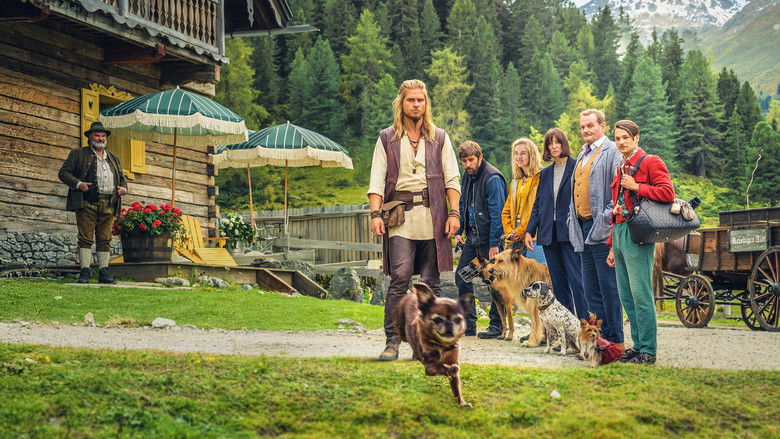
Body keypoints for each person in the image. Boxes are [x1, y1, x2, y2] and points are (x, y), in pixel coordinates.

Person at [367, 79, 461, 361]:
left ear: (426, 103)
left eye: (420, 100)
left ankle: (429, 344)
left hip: (433, 218)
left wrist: (454, 213)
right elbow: (376, 179)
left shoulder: (439, 137)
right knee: (400, 278)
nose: (416, 104)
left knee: (431, 284)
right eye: (411, 100)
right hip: (400, 220)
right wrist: (375, 214)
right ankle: (393, 341)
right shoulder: (387, 138)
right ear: (402, 103)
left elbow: (452, 177)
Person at [606, 120, 674, 365]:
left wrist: (637, 186)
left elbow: (667, 193)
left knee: (641, 294)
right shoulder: (620, 166)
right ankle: (636, 346)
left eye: (626, 137)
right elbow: (619, 206)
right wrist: (612, 244)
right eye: (617, 138)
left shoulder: (650, 161)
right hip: (621, 231)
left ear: (636, 138)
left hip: (640, 234)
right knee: (626, 295)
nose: (621, 142)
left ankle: (648, 349)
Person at [567, 109, 624, 348]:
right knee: (590, 289)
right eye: (582, 127)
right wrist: (573, 221)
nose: (585, 130)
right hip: (581, 229)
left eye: (590, 125)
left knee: (608, 287)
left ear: (602, 126)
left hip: (602, 229)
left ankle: (616, 340)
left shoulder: (612, 152)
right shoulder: (582, 154)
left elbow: (617, 194)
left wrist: (603, 221)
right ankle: (600, 341)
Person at [525, 128, 588, 321]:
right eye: (550, 143)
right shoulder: (544, 173)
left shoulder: (577, 167)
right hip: (548, 234)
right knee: (559, 284)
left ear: (564, 144)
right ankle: (567, 328)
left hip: (570, 233)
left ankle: (584, 326)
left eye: (557, 142)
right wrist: (529, 230)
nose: (553, 146)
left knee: (577, 282)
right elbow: (538, 204)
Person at [58, 121, 127, 284]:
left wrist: (124, 188)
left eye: (103, 136)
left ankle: (104, 272)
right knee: (85, 238)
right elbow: (63, 173)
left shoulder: (114, 158)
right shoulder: (78, 154)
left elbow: (122, 178)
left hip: (109, 203)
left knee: (105, 239)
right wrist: (78, 184)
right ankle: (85, 272)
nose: (100, 138)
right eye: (97, 135)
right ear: (90, 137)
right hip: (87, 202)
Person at [453, 141, 506, 337]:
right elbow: (463, 203)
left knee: (495, 281)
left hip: (489, 242)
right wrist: (459, 229)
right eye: (464, 161)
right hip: (472, 240)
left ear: (480, 157)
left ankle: (496, 325)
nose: (468, 164)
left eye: (471, 160)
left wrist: (494, 244)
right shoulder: (468, 177)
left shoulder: (492, 178)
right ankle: (469, 324)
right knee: (462, 276)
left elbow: (497, 214)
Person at [502, 138, 546, 265]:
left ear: (531, 155)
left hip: (535, 235)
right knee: (520, 280)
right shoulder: (516, 181)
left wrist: (520, 231)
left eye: (523, 153)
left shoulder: (541, 177)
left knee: (540, 275)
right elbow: (506, 211)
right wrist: (510, 231)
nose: (518, 157)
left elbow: (537, 209)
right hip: (515, 237)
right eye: (516, 153)